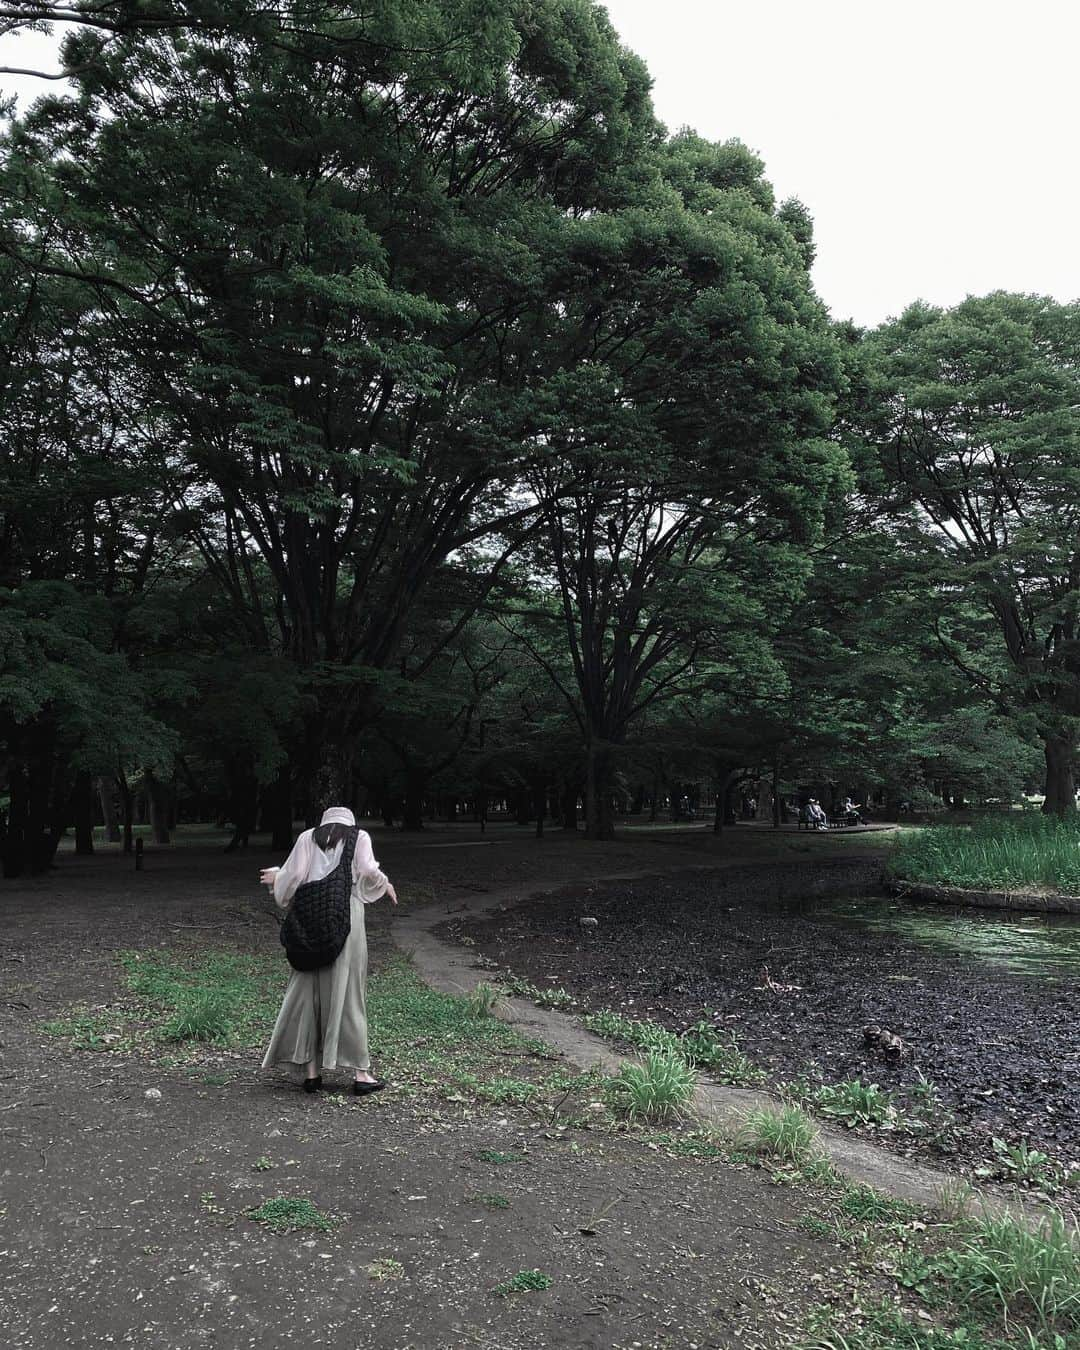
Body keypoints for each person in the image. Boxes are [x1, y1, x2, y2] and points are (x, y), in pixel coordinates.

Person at [259, 806, 397, 1094]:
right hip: (345, 918)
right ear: (350, 822)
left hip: (309, 919)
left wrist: (277, 878)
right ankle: (361, 1074)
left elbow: (293, 875)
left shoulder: (308, 837)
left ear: (324, 822)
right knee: (348, 991)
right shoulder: (358, 837)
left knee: (306, 990)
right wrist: (385, 885)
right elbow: (369, 870)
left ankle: (311, 1072)